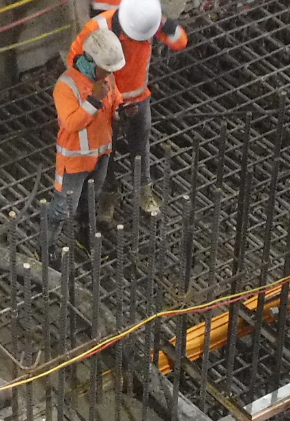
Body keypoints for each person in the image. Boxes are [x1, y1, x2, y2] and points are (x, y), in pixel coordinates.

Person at [72, 0, 189, 221]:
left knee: (140, 146)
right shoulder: (98, 29)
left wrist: (169, 26)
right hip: (107, 105)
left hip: (138, 99)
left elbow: (180, 42)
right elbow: (75, 62)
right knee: (108, 152)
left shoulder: (147, 21)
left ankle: (144, 190)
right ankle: (109, 194)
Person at [48, 28, 125, 245]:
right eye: (104, 69)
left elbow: (115, 99)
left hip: (101, 155)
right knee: (63, 208)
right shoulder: (66, 86)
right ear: (91, 61)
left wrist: (121, 109)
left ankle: (84, 235)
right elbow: (71, 123)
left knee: (89, 200)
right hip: (75, 160)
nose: (108, 74)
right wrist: (93, 100)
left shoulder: (107, 78)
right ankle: (46, 247)